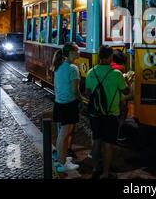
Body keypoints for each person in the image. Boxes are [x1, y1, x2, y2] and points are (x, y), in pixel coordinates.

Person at [85, 45, 131, 179]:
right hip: (111, 114)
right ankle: (105, 173)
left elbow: (88, 93)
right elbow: (126, 91)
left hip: (95, 114)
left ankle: (95, 168)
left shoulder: (91, 72)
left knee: (96, 140)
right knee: (108, 144)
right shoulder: (116, 74)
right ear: (110, 57)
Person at [51, 43, 82, 173]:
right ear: (70, 53)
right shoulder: (73, 68)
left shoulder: (58, 66)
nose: (79, 52)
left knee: (62, 133)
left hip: (59, 103)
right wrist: (81, 100)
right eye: (77, 50)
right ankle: (62, 163)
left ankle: (61, 158)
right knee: (64, 134)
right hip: (69, 104)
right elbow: (76, 90)